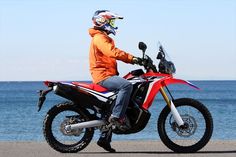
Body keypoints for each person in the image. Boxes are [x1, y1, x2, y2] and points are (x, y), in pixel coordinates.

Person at [88, 10, 142, 152]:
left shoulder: (102, 37)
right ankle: (117, 117)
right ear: (102, 21)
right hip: (103, 76)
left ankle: (104, 139)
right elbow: (112, 52)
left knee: (112, 103)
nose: (113, 25)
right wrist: (133, 59)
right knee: (126, 86)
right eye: (111, 21)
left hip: (106, 74)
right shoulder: (100, 38)